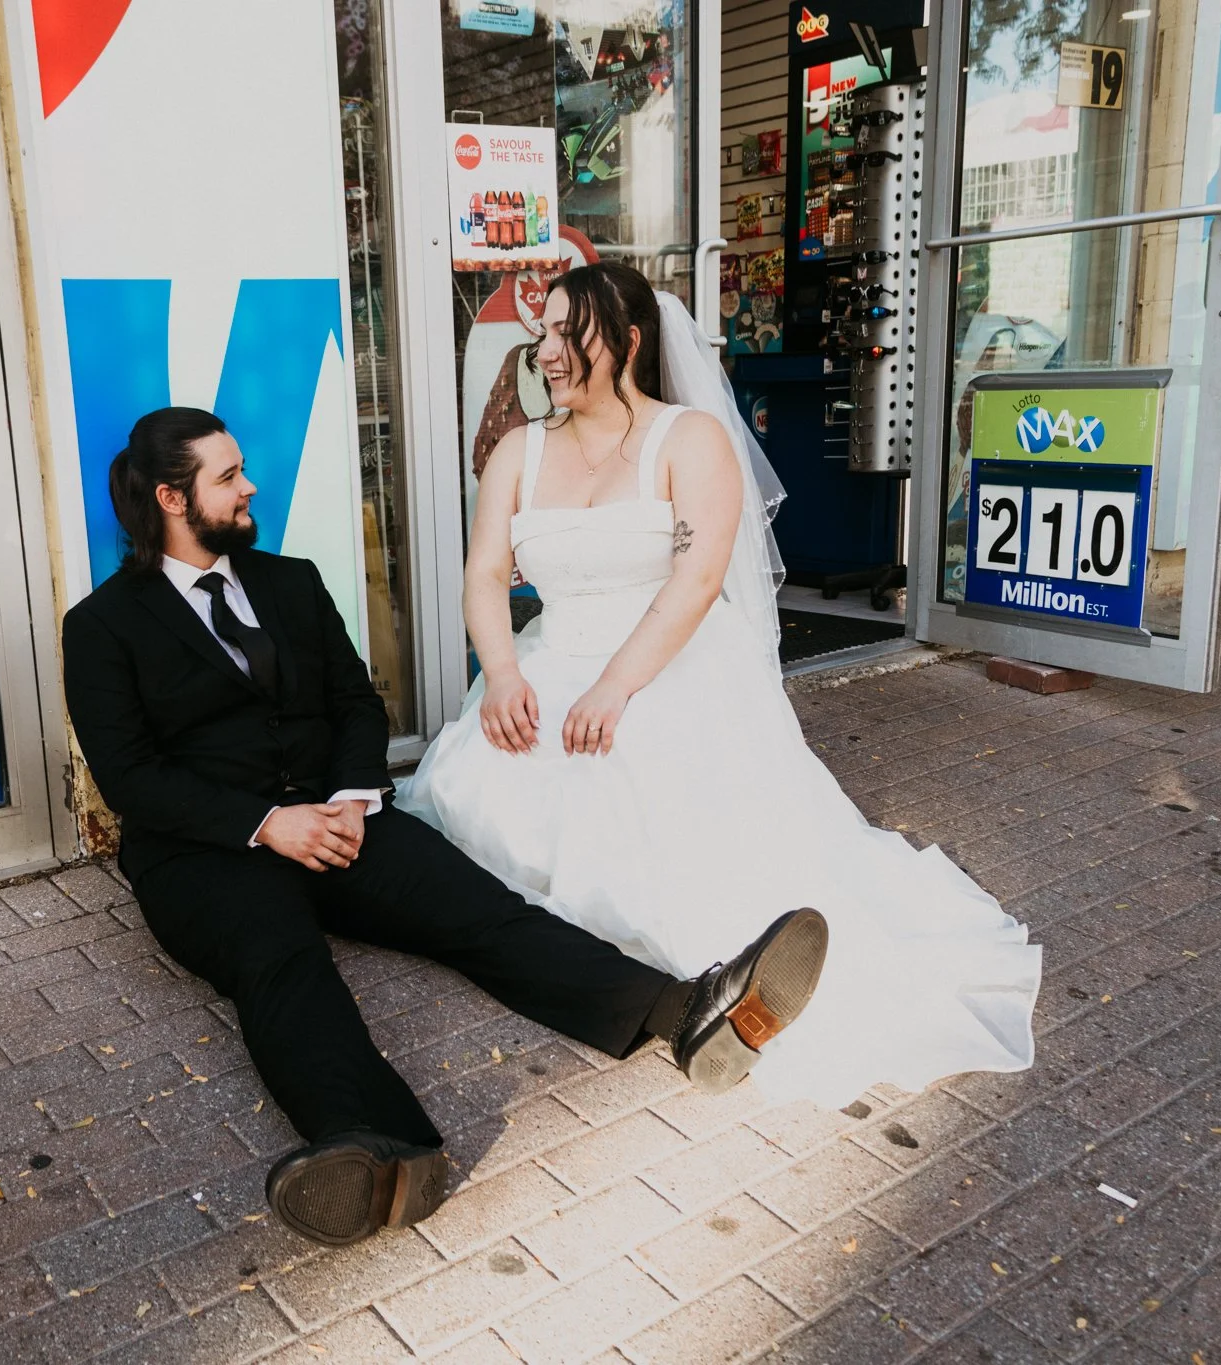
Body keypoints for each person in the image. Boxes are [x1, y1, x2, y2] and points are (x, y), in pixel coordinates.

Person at [63, 406, 831, 1248]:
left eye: (243, 468)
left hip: (337, 817)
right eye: (227, 476)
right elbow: (132, 779)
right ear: (173, 499)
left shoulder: (291, 581)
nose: (250, 485)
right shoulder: (101, 628)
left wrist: (354, 796)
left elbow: (356, 703)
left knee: (478, 909)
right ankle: (378, 1144)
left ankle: (684, 1010)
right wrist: (265, 824)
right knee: (277, 960)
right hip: (209, 850)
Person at [399, 262, 1041, 1108]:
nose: (546, 351)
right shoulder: (519, 450)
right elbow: (484, 574)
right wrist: (504, 674)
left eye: (567, 332)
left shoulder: (690, 439)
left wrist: (616, 688)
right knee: (475, 818)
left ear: (627, 342)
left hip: (665, 663)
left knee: (673, 840)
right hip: (548, 658)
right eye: (543, 332)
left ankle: (734, 979)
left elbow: (697, 581)